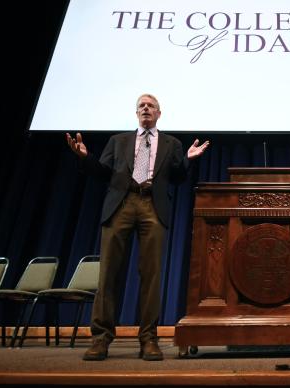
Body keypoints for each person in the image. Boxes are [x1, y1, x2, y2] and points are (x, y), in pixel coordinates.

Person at [66, 93, 209, 361]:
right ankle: (101, 338)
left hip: (152, 206)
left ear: (159, 113)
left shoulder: (172, 144)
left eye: (150, 105)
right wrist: (85, 158)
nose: (145, 108)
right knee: (109, 273)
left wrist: (188, 160)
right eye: (141, 106)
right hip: (121, 203)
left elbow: (177, 177)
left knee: (151, 275)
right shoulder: (118, 141)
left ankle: (148, 339)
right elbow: (102, 173)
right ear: (136, 113)